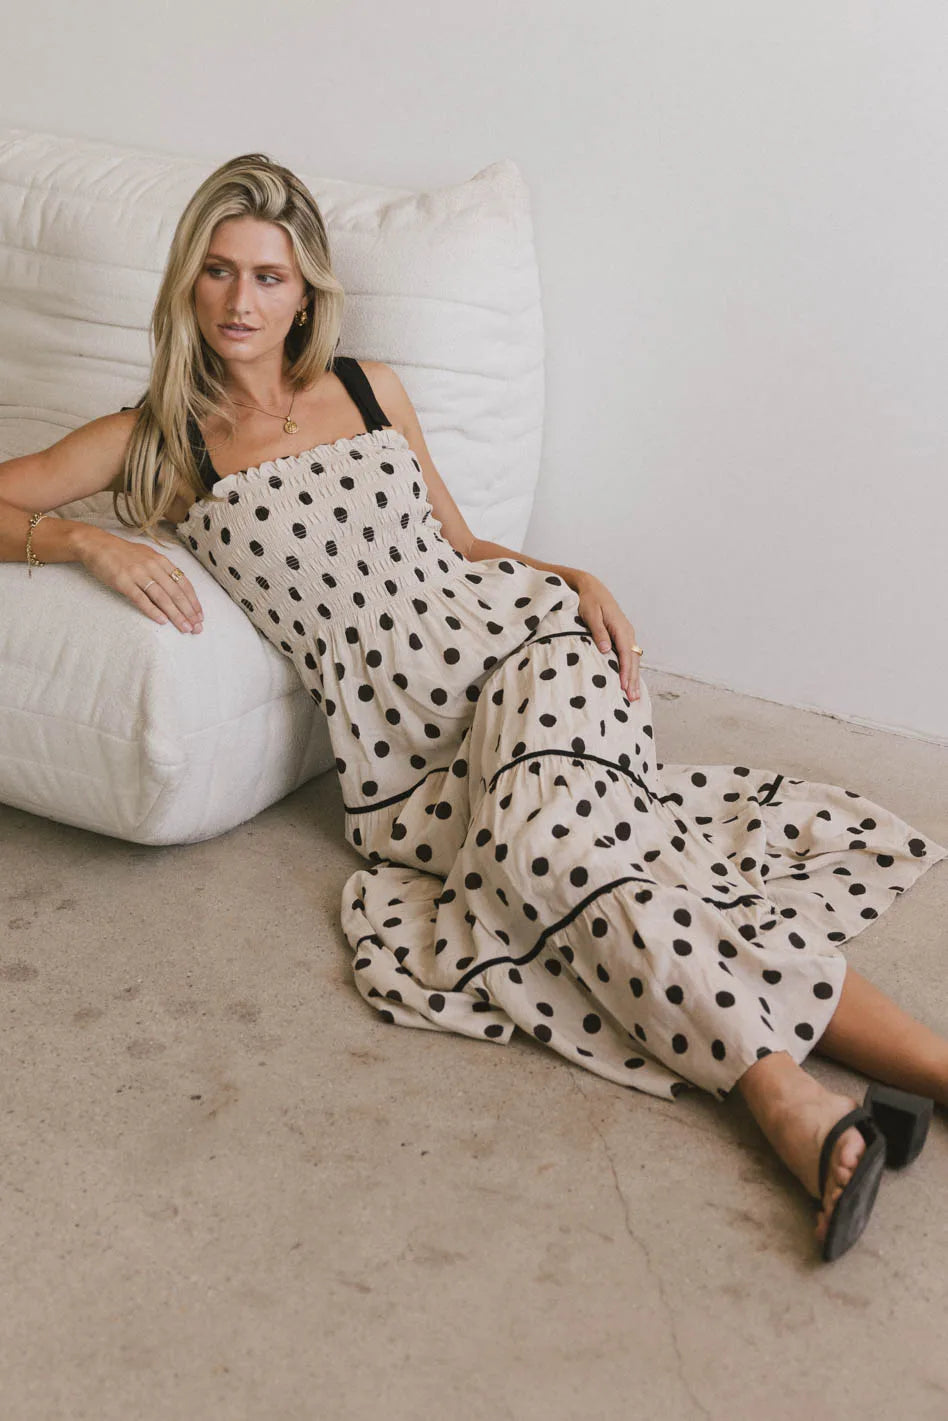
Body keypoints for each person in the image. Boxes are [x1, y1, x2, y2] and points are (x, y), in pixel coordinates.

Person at [2, 153, 945, 1264]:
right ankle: (913, 1071)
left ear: (305, 293)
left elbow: (459, 546)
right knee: (610, 870)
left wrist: (572, 579)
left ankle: (790, 1102)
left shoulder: (369, 388)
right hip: (412, 763)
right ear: (185, 282)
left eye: (268, 275)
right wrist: (80, 540)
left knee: (552, 857)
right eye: (218, 271)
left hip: (534, 650)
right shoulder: (158, 441)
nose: (240, 301)